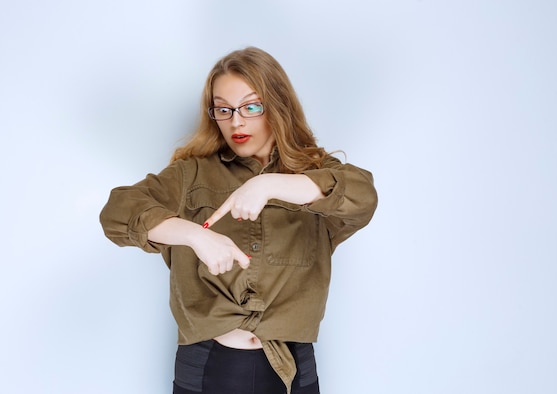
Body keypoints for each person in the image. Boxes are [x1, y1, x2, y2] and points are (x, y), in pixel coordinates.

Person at [99, 46, 378, 394]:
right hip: (210, 366)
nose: (236, 121)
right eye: (224, 109)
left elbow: (363, 196)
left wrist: (269, 184)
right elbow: (117, 211)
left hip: (293, 369)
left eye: (251, 106)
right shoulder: (191, 174)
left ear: (277, 105)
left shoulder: (314, 176)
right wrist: (195, 235)